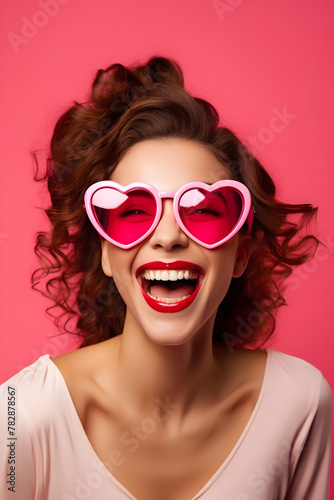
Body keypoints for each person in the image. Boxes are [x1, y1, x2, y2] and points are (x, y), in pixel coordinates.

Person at [0, 57, 332, 500]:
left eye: (203, 212)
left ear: (240, 255)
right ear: (104, 253)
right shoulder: (20, 414)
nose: (170, 236)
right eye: (135, 212)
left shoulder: (299, 402)